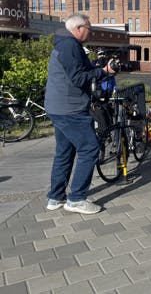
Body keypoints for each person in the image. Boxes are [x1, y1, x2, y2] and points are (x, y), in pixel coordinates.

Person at [45, 13, 117, 215]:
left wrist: (97, 66)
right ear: (78, 28)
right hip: (71, 109)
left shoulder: (65, 44)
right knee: (89, 149)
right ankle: (76, 199)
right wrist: (103, 71)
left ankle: (55, 197)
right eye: (89, 28)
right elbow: (78, 78)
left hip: (59, 107)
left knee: (64, 152)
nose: (90, 31)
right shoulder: (70, 46)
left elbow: (78, 71)